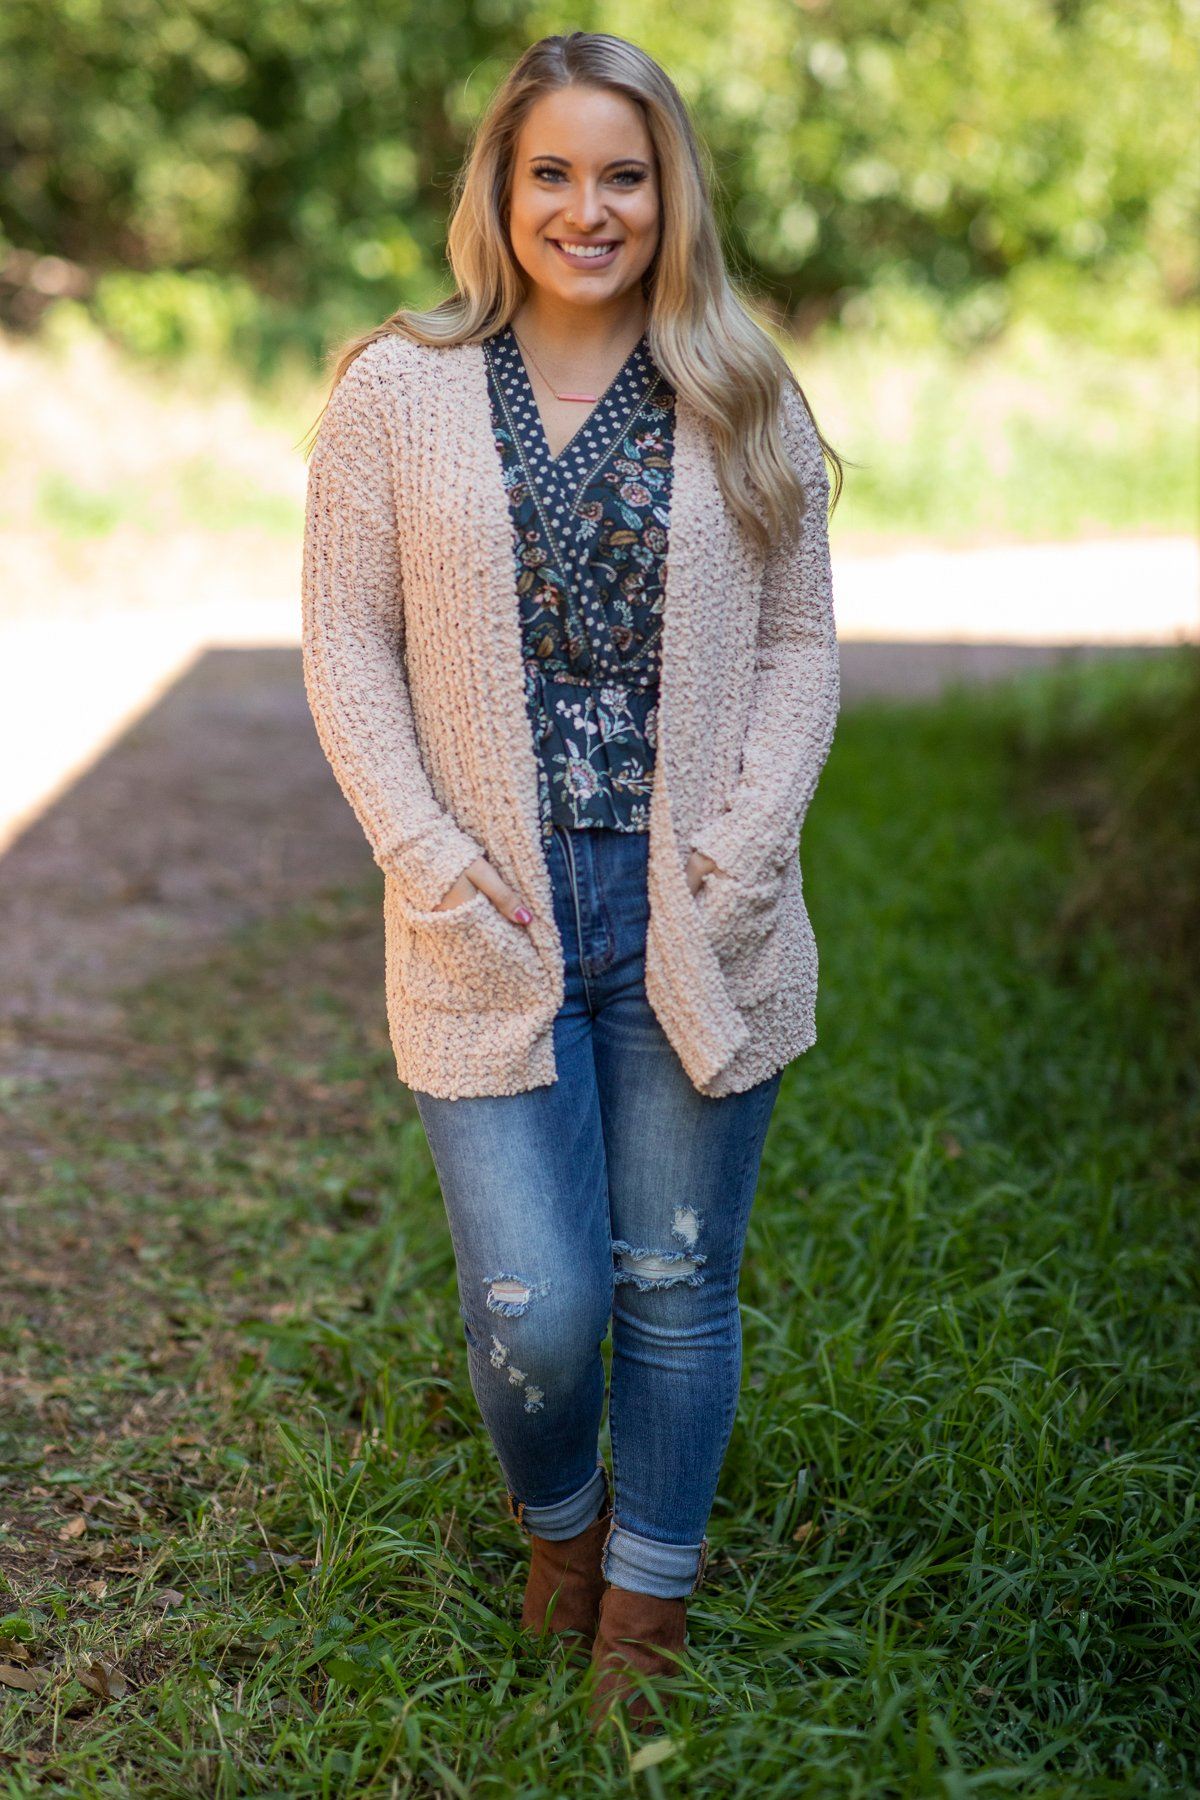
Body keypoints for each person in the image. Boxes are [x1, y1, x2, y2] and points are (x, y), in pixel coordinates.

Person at [300, 29, 842, 1737]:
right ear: (500, 187)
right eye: (554, 172)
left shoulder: (742, 385)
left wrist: (745, 849)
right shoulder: (394, 387)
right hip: (488, 913)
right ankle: (561, 1525)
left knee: (679, 1281)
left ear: (668, 189)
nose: (589, 207)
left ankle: (645, 1612)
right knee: (538, 1304)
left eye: (625, 172)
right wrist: (429, 857)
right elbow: (347, 642)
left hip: (697, 902)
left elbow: (804, 642)